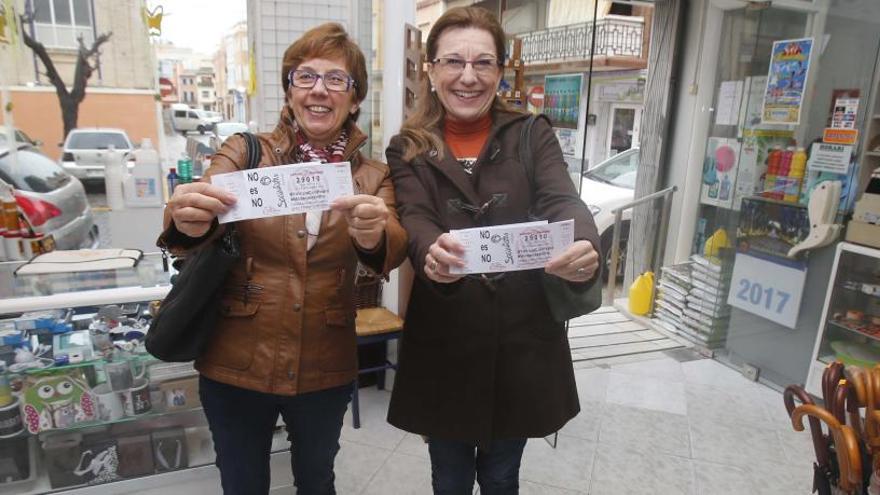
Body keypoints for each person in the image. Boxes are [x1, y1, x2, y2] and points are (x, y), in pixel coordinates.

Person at [158, 23, 407, 495]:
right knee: (242, 482)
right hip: (237, 358)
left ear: (354, 100)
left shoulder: (373, 176)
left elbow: (391, 248)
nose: (319, 89)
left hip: (324, 363)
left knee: (317, 480)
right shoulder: (246, 151)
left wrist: (373, 233)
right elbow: (203, 205)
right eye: (305, 76)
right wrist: (190, 220)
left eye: (337, 79)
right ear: (289, 90)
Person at [385, 6, 601, 494]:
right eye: (453, 62)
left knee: (503, 475)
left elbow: (562, 197)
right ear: (432, 68)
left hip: (522, 340)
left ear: (499, 70)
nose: (468, 77)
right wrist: (428, 252)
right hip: (445, 336)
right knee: (450, 475)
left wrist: (584, 240)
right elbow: (415, 215)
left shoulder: (531, 133)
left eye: (483, 63)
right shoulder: (408, 147)